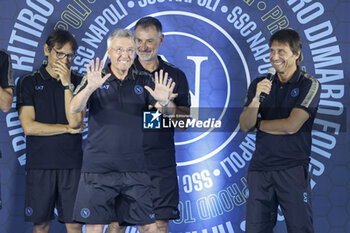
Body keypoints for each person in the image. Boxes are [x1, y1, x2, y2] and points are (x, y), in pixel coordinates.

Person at [70, 28, 176, 233]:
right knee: (94, 228)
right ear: (109, 52)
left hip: (135, 169)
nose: (125, 55)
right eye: (119, 49)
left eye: (129, 50)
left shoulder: (145, 80)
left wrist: (165, 102)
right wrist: (90, 88)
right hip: (98, 170)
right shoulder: (94, 78)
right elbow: (74, 109)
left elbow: (169, 117)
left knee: (149, 228)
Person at [107, 17, 191, 233]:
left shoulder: (176, 75)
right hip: (123, 164)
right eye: (138, 41)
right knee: (117, 224)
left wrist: (166, 103)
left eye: (149, 41)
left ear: (161, 40)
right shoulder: (118, 71)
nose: (143, 47)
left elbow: (183, 123)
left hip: (160, 165)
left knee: (159, 224)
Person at [239, 29, 320, 233]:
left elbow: (292, 126)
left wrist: (260, 124)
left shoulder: (309, 84)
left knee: (300, 228)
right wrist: (257, 99)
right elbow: (245, 125)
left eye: (281, 51)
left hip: (292, 169)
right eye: (272, 51)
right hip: (260, 170)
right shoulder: (260, 83)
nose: (275, 56)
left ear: (297, 53)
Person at [16, 29, 85, 233]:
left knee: (74, 225)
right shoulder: (29, 82)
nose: (64, 60)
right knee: (41, 225)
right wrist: (65, 129)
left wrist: (66, 84)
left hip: (72, 165)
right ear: (47, 50)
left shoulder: (80, 80)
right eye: (59, 53)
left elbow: (75, 122)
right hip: (40, 165)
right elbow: (29, 127)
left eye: (69, 55)